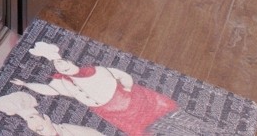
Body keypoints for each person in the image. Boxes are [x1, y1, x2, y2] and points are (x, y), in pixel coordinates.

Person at [11, 40, 181, 136]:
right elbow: (49, 90)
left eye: (63, 63)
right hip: (109, 110)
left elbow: (121, 75)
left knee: (162, 116)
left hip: (126, 98)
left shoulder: (95, 70)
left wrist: (128, 87)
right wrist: (26, 84)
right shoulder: (65, 83)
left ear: (70, 61)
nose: (62, 67)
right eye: (59, 67)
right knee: (144, 129)